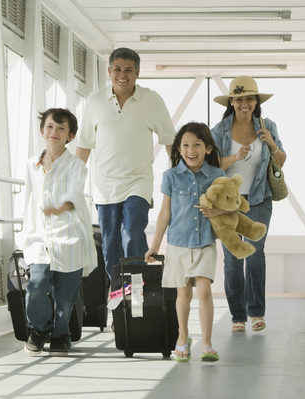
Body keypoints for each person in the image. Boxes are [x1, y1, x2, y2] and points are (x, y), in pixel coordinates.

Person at [75, 47, 175, 282]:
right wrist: (73, 185)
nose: (123, 74)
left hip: (138, 183)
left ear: (137, 73)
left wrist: (180, 176)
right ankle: (119, 297)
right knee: (110, 246)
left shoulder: (152, 100)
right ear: (109, 71)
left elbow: (170, 141)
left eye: (129, 70)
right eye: (117, 69)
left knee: (132, 234)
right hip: (105, 187)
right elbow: (84, 144)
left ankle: (137, 294)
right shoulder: (94, 101)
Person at [208, 76, 286, 333]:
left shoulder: (268, 125)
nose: (244, 103)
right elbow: (210, 167)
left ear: (256, 102)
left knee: (254, 253)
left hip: (259, 198)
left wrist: (271, 143)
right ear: (231, 102)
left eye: (249, 98)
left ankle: (256, 313)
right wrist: (235, 157)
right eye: (239, 99)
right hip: (228, 204)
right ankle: (237, 316)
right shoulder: (219, 131)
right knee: (232, 260)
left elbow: (281, 161)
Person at [144, 122, 227, 362]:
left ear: (208, 148)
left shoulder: (218, 176)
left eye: (197, 145)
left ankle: (208, 343)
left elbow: (231, 208)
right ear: (179, 150)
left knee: (204, 291)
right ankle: (183, 337)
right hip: (178, 244)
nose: (191, 150)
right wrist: (154, 246)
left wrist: (216, 211)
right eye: (186, 145)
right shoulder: (170, 176)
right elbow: (164, 214)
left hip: (205, 244)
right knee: (183, 297)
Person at [23, 108, 97, 356]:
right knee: (36, 284)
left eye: (61, 128)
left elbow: (74, 194)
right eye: (50, 127)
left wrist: (60, 207)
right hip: (39, 238)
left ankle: (61, 335)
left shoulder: (77, 166)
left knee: (65, 297)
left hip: (70, 238)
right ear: (42, 131)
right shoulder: (30, 166)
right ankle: (38, 329)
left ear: (71, 136)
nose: (54, 132)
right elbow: (26, 201)